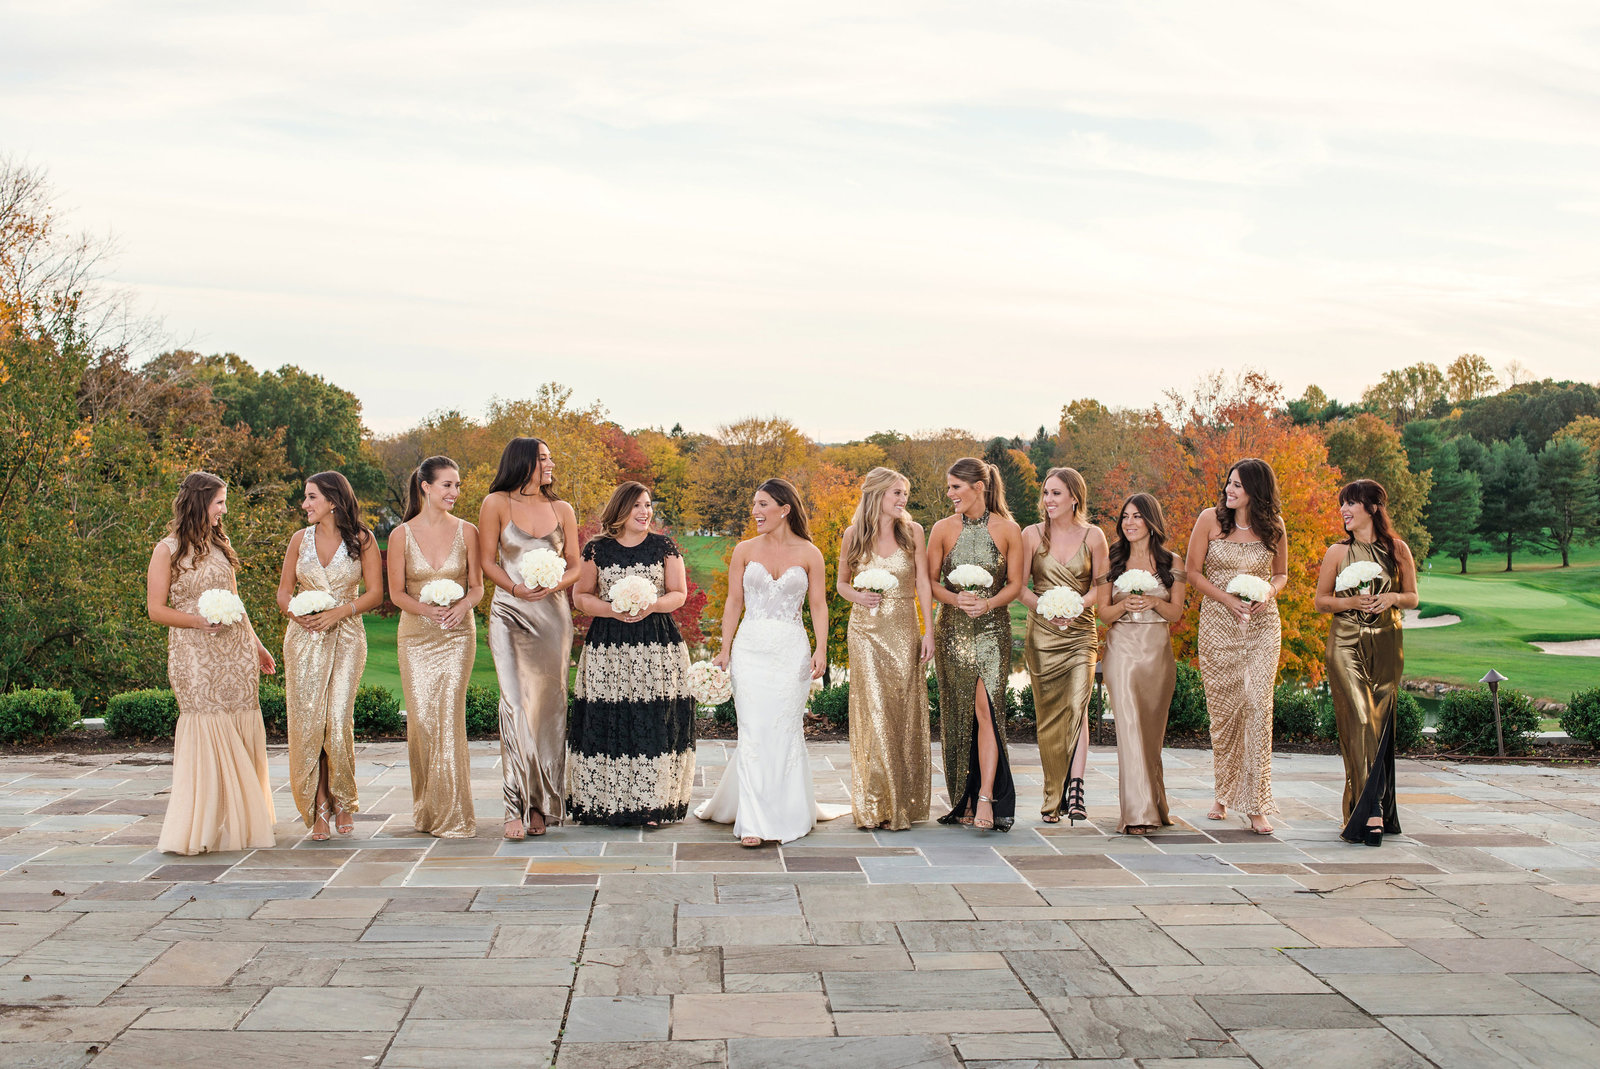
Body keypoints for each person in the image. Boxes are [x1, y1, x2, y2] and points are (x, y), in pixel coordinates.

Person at [697, 479, 848, 845]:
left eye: (763, 505)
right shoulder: (743, 550)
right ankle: (753, 821)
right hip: (750, 651)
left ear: (785, 509)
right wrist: (724, 648)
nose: (755, 512)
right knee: (753, 730)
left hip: (790, 651)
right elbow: (734, 602)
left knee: (782, 730)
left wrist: (822, 648)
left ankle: (788, 809)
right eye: (754, 504)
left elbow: (818, 605)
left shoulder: (810, 553)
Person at [146, 471, 276, 855]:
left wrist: (257, 645)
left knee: (239, 722)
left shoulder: (222, 544)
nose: (224, 510)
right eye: (220, 502)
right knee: (206, 724)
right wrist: (198, 622)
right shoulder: (166, 550)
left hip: (234, 652)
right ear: (200, 502)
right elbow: (156, 610)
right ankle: (201, 825)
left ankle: (237, 821)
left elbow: (236, 600)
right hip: (193, 653)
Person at [567, 482, 696, 825]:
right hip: (608, 645)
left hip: (656, 643)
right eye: (637, 505)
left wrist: (650, 605)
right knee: (610, 718)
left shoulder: (663, 546)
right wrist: (613, 610)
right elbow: (581, 596)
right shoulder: (597, 549)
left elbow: (679, 593)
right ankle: (605, 804)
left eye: (648, 505)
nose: (645, 512)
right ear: (621, 510)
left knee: (654, 719)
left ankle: (652, 805)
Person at [478, 437, 579, 840]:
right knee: (515, 706)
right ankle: (512, 806)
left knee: (549, 710)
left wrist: (554, 581)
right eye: (543, 458)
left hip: (553, 616)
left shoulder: (562, 509)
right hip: (509, 612)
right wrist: (517, 589)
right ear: (523, 461)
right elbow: (487, 561)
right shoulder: (496, 504)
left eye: (551, 457)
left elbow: (574, 563)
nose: (550, 463)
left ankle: (541, 805)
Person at [275, 470, 383, 840]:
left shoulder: (363, 540)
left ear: (333, 501)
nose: (304, 504)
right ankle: (320, 805)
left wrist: (339, 612)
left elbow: (375, 595)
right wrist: (298, 612)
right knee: (310, 726)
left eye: (311, 498)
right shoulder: (298, 541)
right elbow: (283, 594)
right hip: (303, 640)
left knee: (337, 722)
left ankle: (343, 799)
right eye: (305, 498)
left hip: (348, 636)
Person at [1185, 458, 1288, 835]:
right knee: (1226, 711)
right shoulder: (1209, 520)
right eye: (1228, 483)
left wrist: (1269, 592)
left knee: (1257, 705)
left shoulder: (1274, 527)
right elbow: (1193, 572)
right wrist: (1226, 600)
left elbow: (1281, 574)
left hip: (1262, 626)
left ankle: (1256, 802)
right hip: (1217, 624)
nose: (1230, 490)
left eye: (1238, 486)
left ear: (1256, 492)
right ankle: (1223, 793)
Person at [1314, 479, 1417, 847]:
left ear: (1372, 508)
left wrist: (1391, 597)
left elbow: (1413, 597)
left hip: (1388, 644)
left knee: (1377, 725)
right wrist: (1351, 603)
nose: (1344, 510)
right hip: (1345, 641)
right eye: (1342, 503)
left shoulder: (1397, 549)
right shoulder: (1336, 552)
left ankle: (1368, 805)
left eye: (1351, 504)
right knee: (1358, 719)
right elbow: (1321, 601)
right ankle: (1369, 807)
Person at [927, 457, 1026, 831]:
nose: (950, 493)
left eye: (956, 487)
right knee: (957, 713)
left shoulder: (1008, 530)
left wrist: (987, 603)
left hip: (992, 631)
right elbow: (930, 581)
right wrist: (955, 600)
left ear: (978, 487)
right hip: (951, 629)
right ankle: (963, 798)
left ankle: (987, 796)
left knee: (987, 710)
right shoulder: (941, 529)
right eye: (949, 486)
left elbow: (1016, 584)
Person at [388, 456, 483, 838]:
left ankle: (455, 815)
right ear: (425, 486)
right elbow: (396, 593)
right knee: (423, 722)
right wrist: (428, 611)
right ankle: (428, 810)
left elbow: (476, 586)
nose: (455, 493)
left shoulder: (468, 531)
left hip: (458, 636)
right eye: (447, 485)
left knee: (448, 717)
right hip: (415, 637)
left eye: (457, 486)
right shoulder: (400, 535)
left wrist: (462, 606)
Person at [836, 468, 933, 831]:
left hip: (904, 631)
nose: (902, 499)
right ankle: (874, 804)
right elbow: (842, 585)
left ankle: (902, 802)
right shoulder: (853, 536)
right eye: (896, 493)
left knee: (902, 714)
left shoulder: (913, 533)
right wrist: (858, 595)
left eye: (905, 493)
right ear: (877, 495)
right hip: (864, 632)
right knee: (872, 712)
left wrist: (929, 632)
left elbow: (923, 582)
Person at [1018, 467, 1108, 824]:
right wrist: (1047, 609)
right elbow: (1018, 586)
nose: (1049, 500)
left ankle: (1076, 789)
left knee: (1078, 705)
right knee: (1049, 716)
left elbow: (1101, 588)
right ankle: (1052, 792)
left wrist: (1073, 608)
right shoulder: (1031, 535)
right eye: (1046, 493)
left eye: (1056, 493)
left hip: (1080, 633)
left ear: (1074, 497)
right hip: (1042, 635)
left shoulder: (1094, 536)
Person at [1100, 493, 1186, 835]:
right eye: (1125, 517)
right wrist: (1124, 606)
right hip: (1121, 650)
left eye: (1137, 516)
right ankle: (1137, 813)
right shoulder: (1112, 559)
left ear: (1152, 521)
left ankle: (1155, 804)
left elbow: (1176, 614)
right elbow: (1103, 613)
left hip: (1157, 653)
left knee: (1151, 734)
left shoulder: (1173, 562)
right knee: (1130, 729)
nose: (1129, 523)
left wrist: (1152, 600)